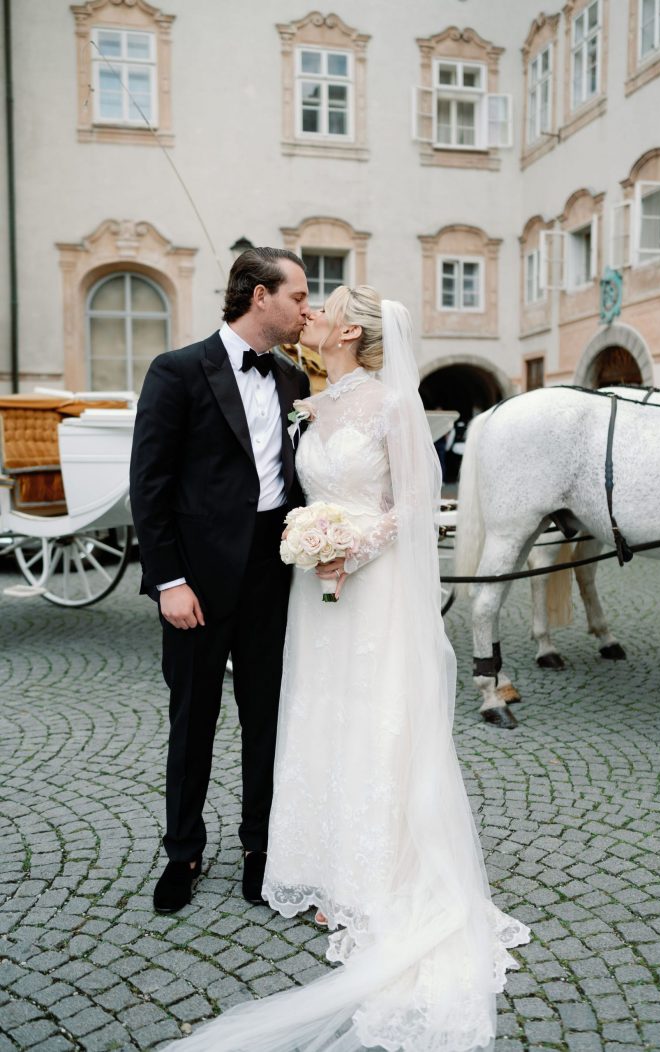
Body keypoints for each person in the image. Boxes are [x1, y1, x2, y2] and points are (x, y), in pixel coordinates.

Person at [164, 286, 529, 1052]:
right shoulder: (308, 399)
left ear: (352, 329)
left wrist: (353, 547)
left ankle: (372, 873)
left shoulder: (392, 405)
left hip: (372, 586)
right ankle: (320, 862)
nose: (311, 315)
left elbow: (415, 504)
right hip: (311, 590)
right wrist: (312, 541)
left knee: (374, 714)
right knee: (316, 711)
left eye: (321, 306)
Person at [129, 247, 310, 914]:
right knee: (192, 720)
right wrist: (169, 581)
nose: (306, 308)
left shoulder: (294, 379)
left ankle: (261, 849)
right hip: (198, 580)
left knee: (267, 719)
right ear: (260, 295)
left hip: (273, 573)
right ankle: (183, 851)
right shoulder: (177, 371)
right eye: (297, 295)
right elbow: (149, 486)